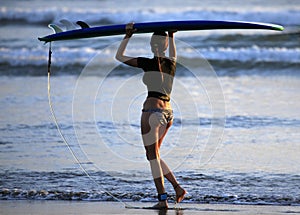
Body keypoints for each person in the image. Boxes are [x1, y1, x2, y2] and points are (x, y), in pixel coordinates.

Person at [115, 23, 187, 209]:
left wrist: (128, 35)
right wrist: (171, 35)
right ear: (165, 44)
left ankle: (162, 200)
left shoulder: (146, 62)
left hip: (152, 113)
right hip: (168, 114)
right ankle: (178, 188)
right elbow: (172, 51)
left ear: (151, 45)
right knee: (152, 155)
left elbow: (119, 56)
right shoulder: (172, 63)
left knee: (153, 157)